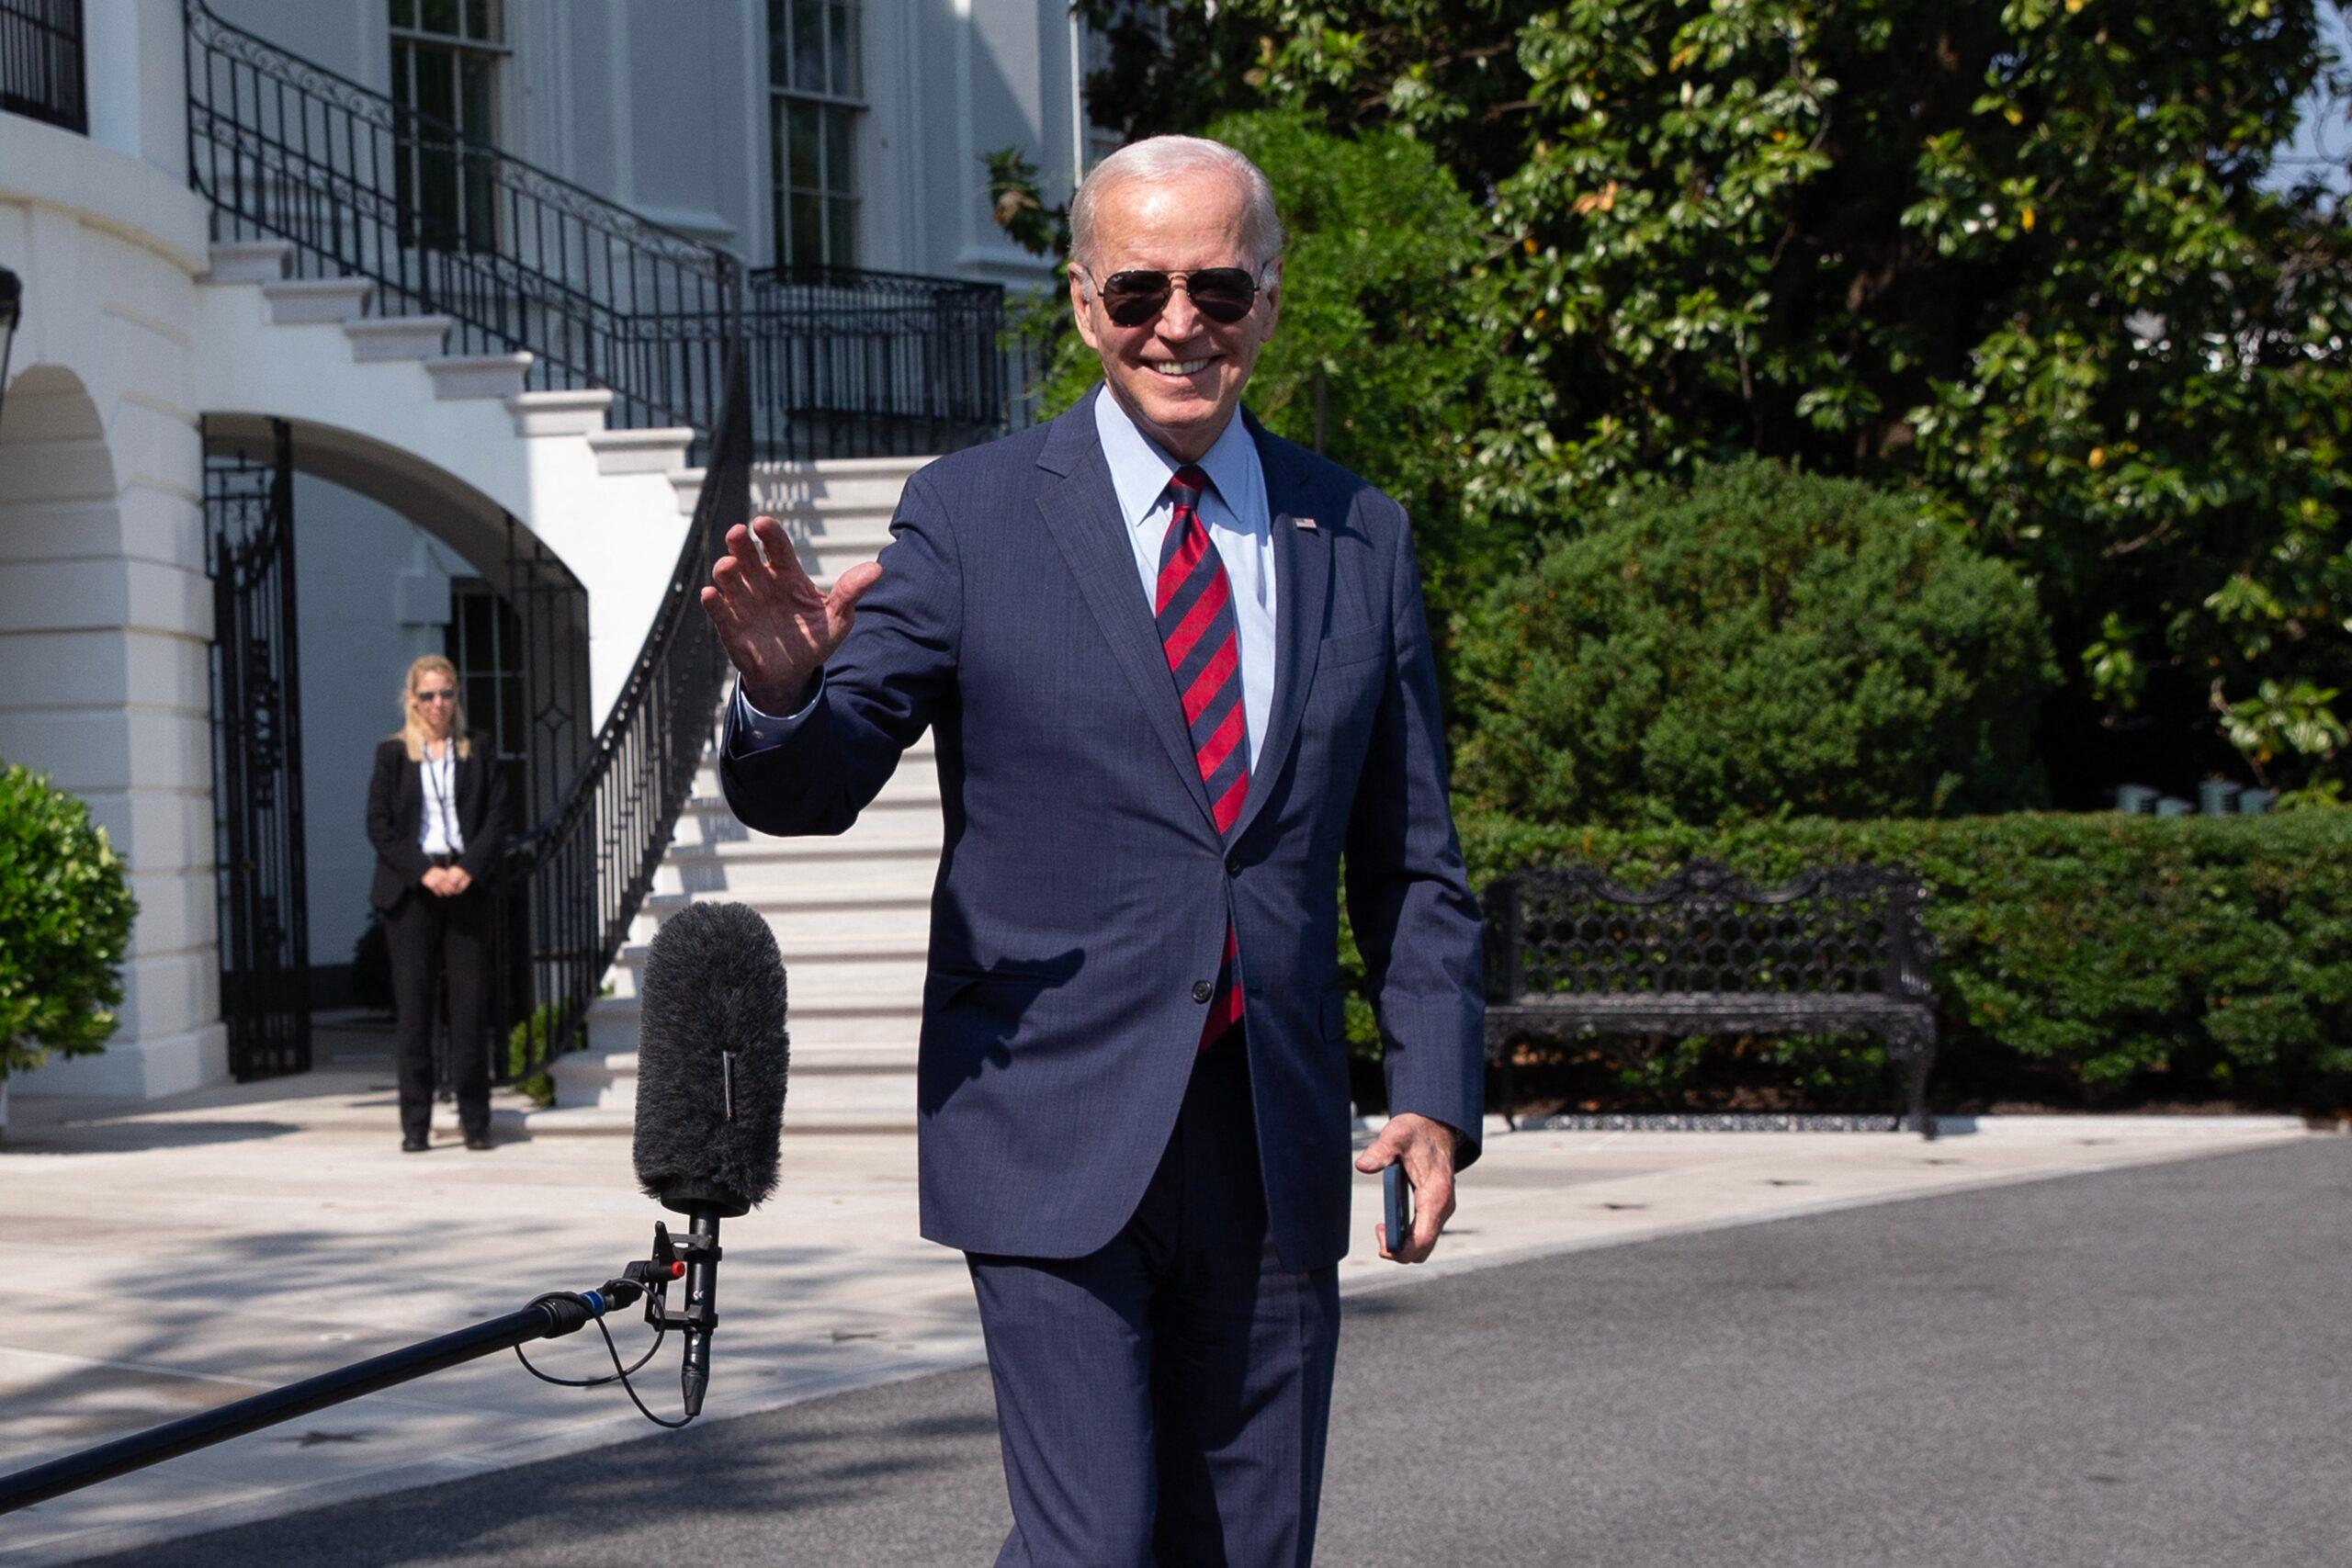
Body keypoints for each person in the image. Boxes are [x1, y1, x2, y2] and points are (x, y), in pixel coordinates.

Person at [701, 135, 1483, 1565]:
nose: (1178, 323)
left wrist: (1433, 1086)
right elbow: (813, 788)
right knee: (1096, 1544)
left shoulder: (1358, 530)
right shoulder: (973, 514)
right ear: (1081, 302)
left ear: (1269, 295)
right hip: (1049, 1116)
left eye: (1216, 288)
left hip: (1272, 1130)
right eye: (1138, 290)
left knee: (1247, 1547)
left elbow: (1413, 854)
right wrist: (782, 691)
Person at [366, 654, 507, 1154]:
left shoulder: (478, 749)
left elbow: (496, 816)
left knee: (469, 1011)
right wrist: (424, 871)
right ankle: (416, 1126)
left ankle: (475, 1122)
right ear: (412, 699)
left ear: (456, 697)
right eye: (428, 695)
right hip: (411, 892)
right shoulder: (392, 753)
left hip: (466, 888)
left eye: (446, 693)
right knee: (415, 1012)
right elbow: (379, 825)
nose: (438, 704)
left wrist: (465, 868)